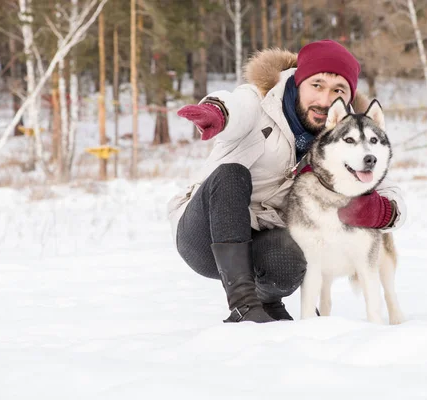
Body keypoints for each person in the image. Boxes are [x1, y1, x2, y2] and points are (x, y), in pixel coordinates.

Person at [167, 39, 406, 323]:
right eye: (316, 85)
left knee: (298, 246)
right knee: (232, 173)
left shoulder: (349, 135)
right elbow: (236, 107)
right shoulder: (261, 102)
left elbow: (388, 188)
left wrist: (383, 210)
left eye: (337, 90)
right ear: (298, 81)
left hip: (266, 236)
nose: (325, 99)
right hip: (205, 231)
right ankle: (244, 305)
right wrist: (217, 112)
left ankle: (268, 301)